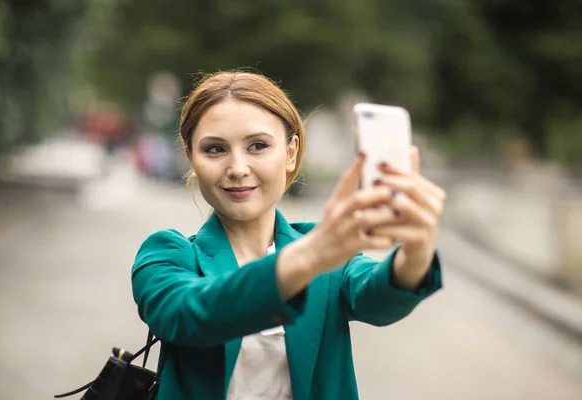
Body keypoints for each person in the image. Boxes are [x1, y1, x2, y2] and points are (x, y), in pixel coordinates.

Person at [131, 71, 446, 400]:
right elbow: (189, 314)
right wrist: (310, 255)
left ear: (291, 152)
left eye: (258, 145)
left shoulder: (323, 253)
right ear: (190, 158)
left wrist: (417, 248)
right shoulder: (167, 253)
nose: (238, 168)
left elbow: (378, 298)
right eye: (214, 149)